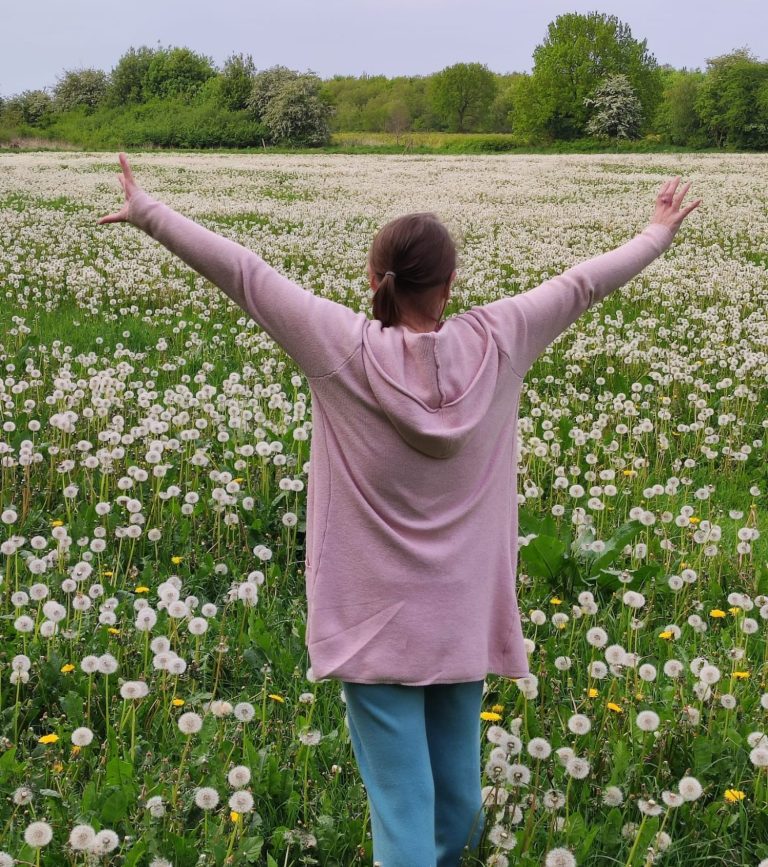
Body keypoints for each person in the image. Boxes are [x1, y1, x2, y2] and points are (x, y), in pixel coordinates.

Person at [98, 155, 701, 866]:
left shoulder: (340, 346)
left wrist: (150, 213)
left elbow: (246, 274)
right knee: (457, 809)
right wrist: (656, 233)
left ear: (371, 278)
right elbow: (580, 285)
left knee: (413, 821)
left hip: (370, 623)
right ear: (451, 283)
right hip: (463, 619)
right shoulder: (502, 339)